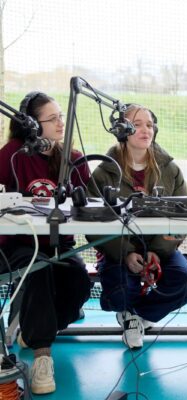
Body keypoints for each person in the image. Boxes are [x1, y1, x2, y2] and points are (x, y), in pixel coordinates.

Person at [0, 92, 92, 394]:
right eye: (52, 119)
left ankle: (34, 330)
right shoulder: (11, 154)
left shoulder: (73, 158)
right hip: (18, 244)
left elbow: (87, 206)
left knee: (79, 280)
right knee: (37, 270)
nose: (60, 123)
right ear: (30, 126)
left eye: (61, 117)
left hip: (59, 243)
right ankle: (42, 357)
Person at [86, 103, 187, 349]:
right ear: (120, 130)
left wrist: (157, 251)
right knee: (121, 288)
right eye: (137, 125)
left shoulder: (170, 169)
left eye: (149, 125)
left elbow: (183, 216)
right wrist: (126, 253)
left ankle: (135, 317)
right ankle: (130, 315)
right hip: (119, 251)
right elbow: (93, 224)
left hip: (162, 248)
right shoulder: (103, 173)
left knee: (185, 278)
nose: (146, 130)